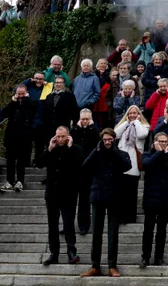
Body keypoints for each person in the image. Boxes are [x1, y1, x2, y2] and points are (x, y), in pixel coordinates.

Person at [80, 127, 131, 277]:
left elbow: (127, 166)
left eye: (110, 140)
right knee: (96, 232)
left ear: (114, 140)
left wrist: (114, 150)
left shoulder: (120, 153)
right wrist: (96, 151)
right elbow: (85, 166)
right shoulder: (97, 152)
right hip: (98, 195)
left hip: (114, 195)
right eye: (105, 140)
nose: (107, 142)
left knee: (113, 232)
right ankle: (95, 265)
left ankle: (112, 265)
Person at [140, 132, 168, 266]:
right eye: (160, 141)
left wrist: (167, 153)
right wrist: (158, 152)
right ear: (155, 142)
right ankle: (145, 256)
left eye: (165, 142)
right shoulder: (148, 154)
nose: (163, 144)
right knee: (148, 230)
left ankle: (159, 256)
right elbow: (146, 164)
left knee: (162, 230)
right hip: (150, 198)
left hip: (165, 198)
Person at [42, 126, 82, 265]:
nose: (60, 139)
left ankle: (71, 250)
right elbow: (40, 163)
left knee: (68, 223)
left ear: (68, 136)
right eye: (58, 136)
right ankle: (54, 253)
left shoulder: (75, 150)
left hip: (68, 193)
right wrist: (49, 149)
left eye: (62, 136)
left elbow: (78, 165)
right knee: (52, 225)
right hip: (52, 193)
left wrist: (70, 148)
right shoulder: (52, 150)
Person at [114, 106, 150, 225]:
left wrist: (136, 122)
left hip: (134, 163)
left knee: (131, 194)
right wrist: (127, 123)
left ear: (139, 114)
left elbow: (141, 135)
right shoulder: (124, 125)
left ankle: (130, 217)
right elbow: (115, 134)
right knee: (120, 193)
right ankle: (120, 216)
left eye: (135, 113)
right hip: (122, 163)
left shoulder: (144, 126)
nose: (133, 115)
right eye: (130, 113)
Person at [0, 84, 37, 193]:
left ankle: (20, 180)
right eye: (18, 94)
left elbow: (34, 110)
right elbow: (4, 113)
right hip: (11, 136)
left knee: (21, 161)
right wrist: (13, 101)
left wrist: (26, 99)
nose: (20, 96)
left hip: (24, 137)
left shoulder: (30, 103)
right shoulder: (13, 104)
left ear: (26, 93)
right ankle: (9, 181)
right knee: (10, 161)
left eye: (22, 94)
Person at [71, 110, 101, 235]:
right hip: (74, 169)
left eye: (87, 119)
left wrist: (91, 127)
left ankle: (84, 224)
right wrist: (77, 128)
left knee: (84, 199)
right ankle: (69, 224)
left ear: (91, 119)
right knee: (70, 200)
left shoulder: (94, 131)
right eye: (82, 119)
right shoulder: (75, 131)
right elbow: (72, 144)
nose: (84, 121)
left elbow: (94, 145)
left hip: (87, 169)